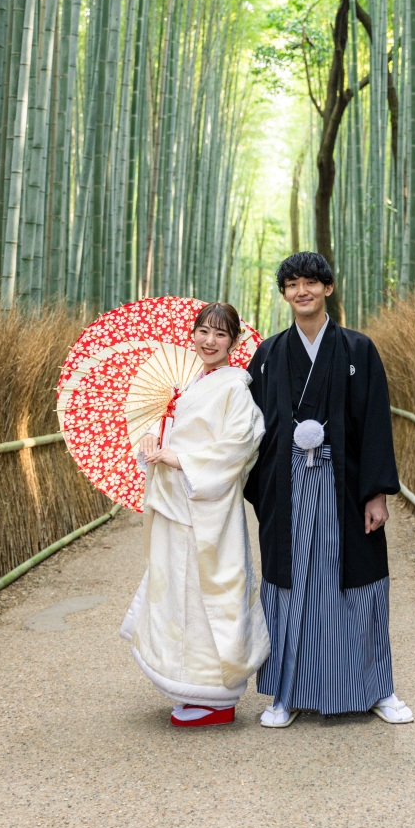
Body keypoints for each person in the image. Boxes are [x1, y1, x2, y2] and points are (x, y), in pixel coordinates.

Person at [245, 252, 414, 728]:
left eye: (311, 283)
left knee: (359, 587)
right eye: (293, 284)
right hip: (286, 485)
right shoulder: (269, 354)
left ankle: (378, 689)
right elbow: (248, 427)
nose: (303, 291)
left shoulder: (359, 350)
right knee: (291, 586)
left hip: (344, 486)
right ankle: (285, 693)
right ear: (284, 294)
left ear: (328, 289)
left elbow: (376, 424)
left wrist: (376, 492)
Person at [120, 302, 269, 727]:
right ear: (193, 335)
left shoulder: (235, 388)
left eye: (220, 334)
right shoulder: (190, 385)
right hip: (176, 506)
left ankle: (218, 696)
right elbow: (171, 434)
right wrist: (153, 440)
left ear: (234, 342)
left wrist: (181, 459)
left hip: (208, 509)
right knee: (177, 593)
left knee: (209, 596)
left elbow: (241, 443)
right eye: (203, 331)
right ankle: (189, 685)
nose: (209, 341)